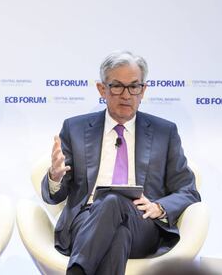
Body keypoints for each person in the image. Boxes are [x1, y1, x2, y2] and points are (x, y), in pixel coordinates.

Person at [41, 51, 201, 275]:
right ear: (101, 89)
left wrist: (159, 207)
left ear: (143, 90)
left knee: (113, 201)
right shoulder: (75, 128)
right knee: (118, 235)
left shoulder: (165, 132)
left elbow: (188, 191)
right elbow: (54, 195)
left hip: (143, 223)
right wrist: (55, 177)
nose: (126, 95)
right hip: (86, 219)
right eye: (117, 86)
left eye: (134, 87)